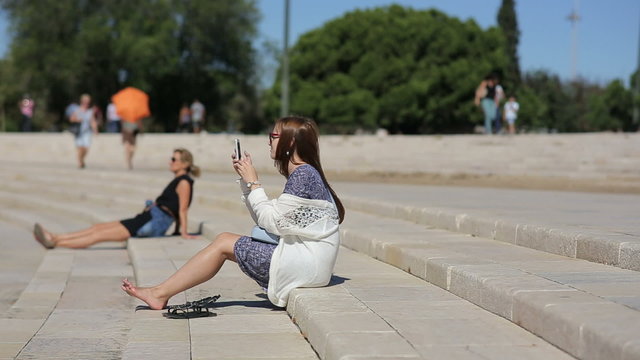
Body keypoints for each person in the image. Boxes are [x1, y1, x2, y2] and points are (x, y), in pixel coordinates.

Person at [121, 116, 345, 309]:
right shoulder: (305, 173)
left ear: (291, 141)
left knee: (223, 243)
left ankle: (159, 294)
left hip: (306, 265)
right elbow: (266, 220)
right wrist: (247, 184)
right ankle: (160, 292)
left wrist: (254, 183)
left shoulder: (303, 175)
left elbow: (272, 221)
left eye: (273, 136)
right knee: (224, 240)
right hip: (309, 263)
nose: (269, 141)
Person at [33, 148, 200, 249]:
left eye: (174, 159)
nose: (170, 162)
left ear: (184, 164)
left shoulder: (184, 182)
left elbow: (183, 209)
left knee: (98, 236)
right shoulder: (180, 181)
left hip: (152, 221)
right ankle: (55, 237)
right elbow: (177, 208)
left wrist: (183, 232)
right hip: (149, 217)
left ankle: (55, 242)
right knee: (98, 228)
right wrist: (178, 230)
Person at [70, 94, 98, 169]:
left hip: (87, 132)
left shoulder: (90, 111)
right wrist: (78, 120)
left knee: (86, 148)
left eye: (88, 102)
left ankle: (81, 160)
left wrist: (95, 129)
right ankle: (80, 162)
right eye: (85, 102)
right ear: (82, 102)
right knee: (80, 148)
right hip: (79, 132)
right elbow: (71, 119)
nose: (86, 104)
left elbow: (93, 121)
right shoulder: (77, 110)